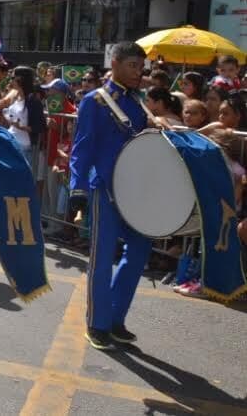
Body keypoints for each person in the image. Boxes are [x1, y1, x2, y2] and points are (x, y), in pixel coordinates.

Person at [69, 41, 154, 351]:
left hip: (135, 190)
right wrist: (77, 187)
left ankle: (116, 318)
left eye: (141, 67)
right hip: (105, 188)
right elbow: (82, 147)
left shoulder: (138, 101)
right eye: (132, 65)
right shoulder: (95, 101)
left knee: (139, 252)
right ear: (114, 63)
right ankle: (98, 323)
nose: (138, 72)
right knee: (102, 259)